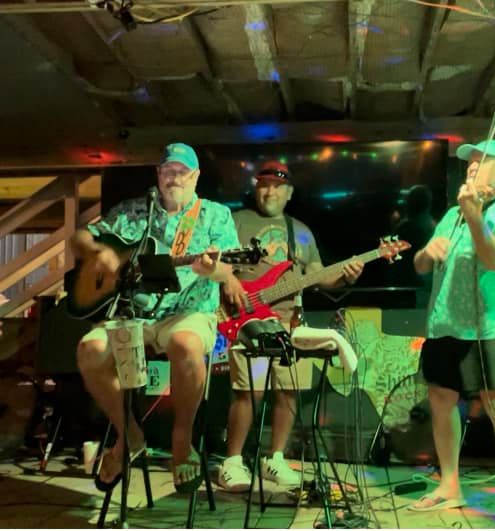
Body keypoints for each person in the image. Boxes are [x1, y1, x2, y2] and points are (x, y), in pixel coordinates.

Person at [72, 143, 241, 493]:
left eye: (182, 172)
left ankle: (182, 440)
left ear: (195, 177)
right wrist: (98, 251)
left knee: (185, 343)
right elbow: (80, 236)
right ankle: (130, 435)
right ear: (158, 175)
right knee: (90, 350)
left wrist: (210, 269)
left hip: (188, 312)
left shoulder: (215, 215)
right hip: (132, 314)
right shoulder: (134, 210)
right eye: (168, 171)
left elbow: (227, 271)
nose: (174, 178)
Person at [410, 140, 495, 528]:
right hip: (444, 321)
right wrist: (427, 253)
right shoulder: (452, 214)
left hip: (490, 322)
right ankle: (450, 485)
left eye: (482, 161)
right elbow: (420, 266)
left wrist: (475, 216)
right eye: (469, 162)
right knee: (440, 398)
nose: (471, 167)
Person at [217, 160, 364, 491]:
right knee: (249, 391)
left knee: (288, 390)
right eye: (264, 185)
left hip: (289, 322)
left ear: (290, 193)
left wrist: (345, 275)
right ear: (256, 189)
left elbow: (318, 275)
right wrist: (228, 280)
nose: (270, 192)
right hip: (248, 321)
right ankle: (232, 462)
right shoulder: (235, 221)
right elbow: (215, 262)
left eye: (277, 187)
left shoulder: (300, 231)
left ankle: (276, 459)